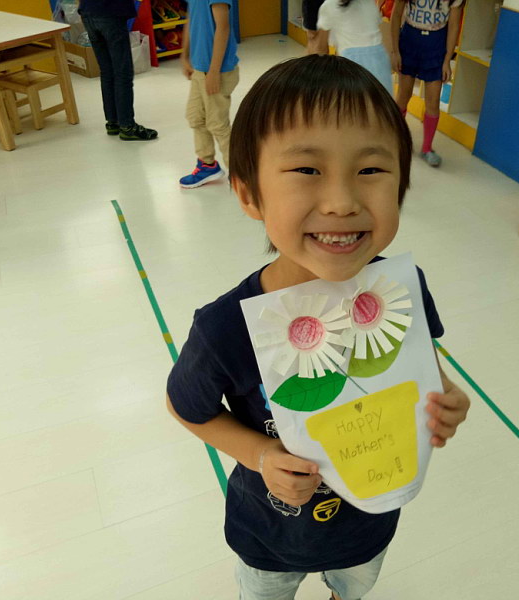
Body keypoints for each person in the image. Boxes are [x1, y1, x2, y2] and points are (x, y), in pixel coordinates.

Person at [166, 55, 471, 600]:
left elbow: (418, 358)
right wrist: (260, 456)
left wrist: (444, 393)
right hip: (269, 534)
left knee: (352, 588)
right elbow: (186, 407)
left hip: (369, 524)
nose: (342, 202)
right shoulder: (225, 328)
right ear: (249, 194)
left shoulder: (401, 289)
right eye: (307, 170)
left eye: (371, 170)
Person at [390, 0, 464, 168]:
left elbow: (454, 27)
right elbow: (396, 15)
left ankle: (427, 148)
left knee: (433, 101)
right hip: (409, 40)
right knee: (403, 95)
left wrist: (447, 60)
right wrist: (395, 51)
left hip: (436, 46)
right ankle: (395, 141)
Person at [179, 0, 239, 188]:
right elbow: (191, 20)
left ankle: (241, 175)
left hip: (217, 70)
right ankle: (207, 165)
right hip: (200, 68)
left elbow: (223, 27)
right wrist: (185, 55)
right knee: (195, 117)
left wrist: (214, 71)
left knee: (217, 124)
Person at [78, 0, 158, 141]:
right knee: (122, 72)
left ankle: (113, 122)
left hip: (88, 12)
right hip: (111, 12)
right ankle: (127, 126)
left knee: (107, 71)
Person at [317, 0, 393, 93]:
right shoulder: (368, 3)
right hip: (379, 61)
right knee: (382, 100)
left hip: (352, 65)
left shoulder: (330, 5)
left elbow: (321, 49)